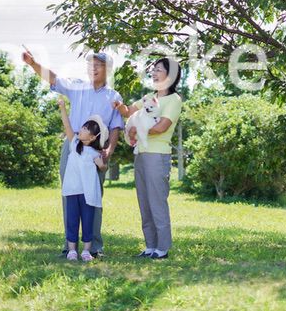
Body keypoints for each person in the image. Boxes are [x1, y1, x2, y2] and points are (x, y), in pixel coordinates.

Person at [22, 49, 124, 257]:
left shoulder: (114, 96)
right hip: (72, 144)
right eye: (90, 64)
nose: (93, 68)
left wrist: (109, 150)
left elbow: (115, 127)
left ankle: (94, 247)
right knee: (70, 193)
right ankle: (69, 245)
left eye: (98, 65)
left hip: (96, 149)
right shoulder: (77, 87)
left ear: (108, 69)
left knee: (94, 196)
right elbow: (54, 79)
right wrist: (33, 64)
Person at [114, 57, 183, 260]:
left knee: (157, 202)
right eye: (153, 70)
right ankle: (150, 246)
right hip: (141, 155)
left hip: (157, 155)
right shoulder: (147, 97)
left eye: (159, 70)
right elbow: (128, 112)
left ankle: (162, 247)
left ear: (170, 75)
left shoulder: (174, 100)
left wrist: (138, 130)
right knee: (144, 202)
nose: (154, 73)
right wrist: (119, 106)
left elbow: (162, 126)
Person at [57, 97, 106, 261]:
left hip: (87, 193)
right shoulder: (74, 144)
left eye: (85, 129)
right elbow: (67, 125)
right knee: (71, 220)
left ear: (92, 137)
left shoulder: (94, 153)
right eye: (83, 127)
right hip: (72, 190)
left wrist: (102, 165)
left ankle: (86, 250)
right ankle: (71, 250)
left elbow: (102, 168)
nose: (81, 130)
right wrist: (63, 108)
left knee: (87, 220)